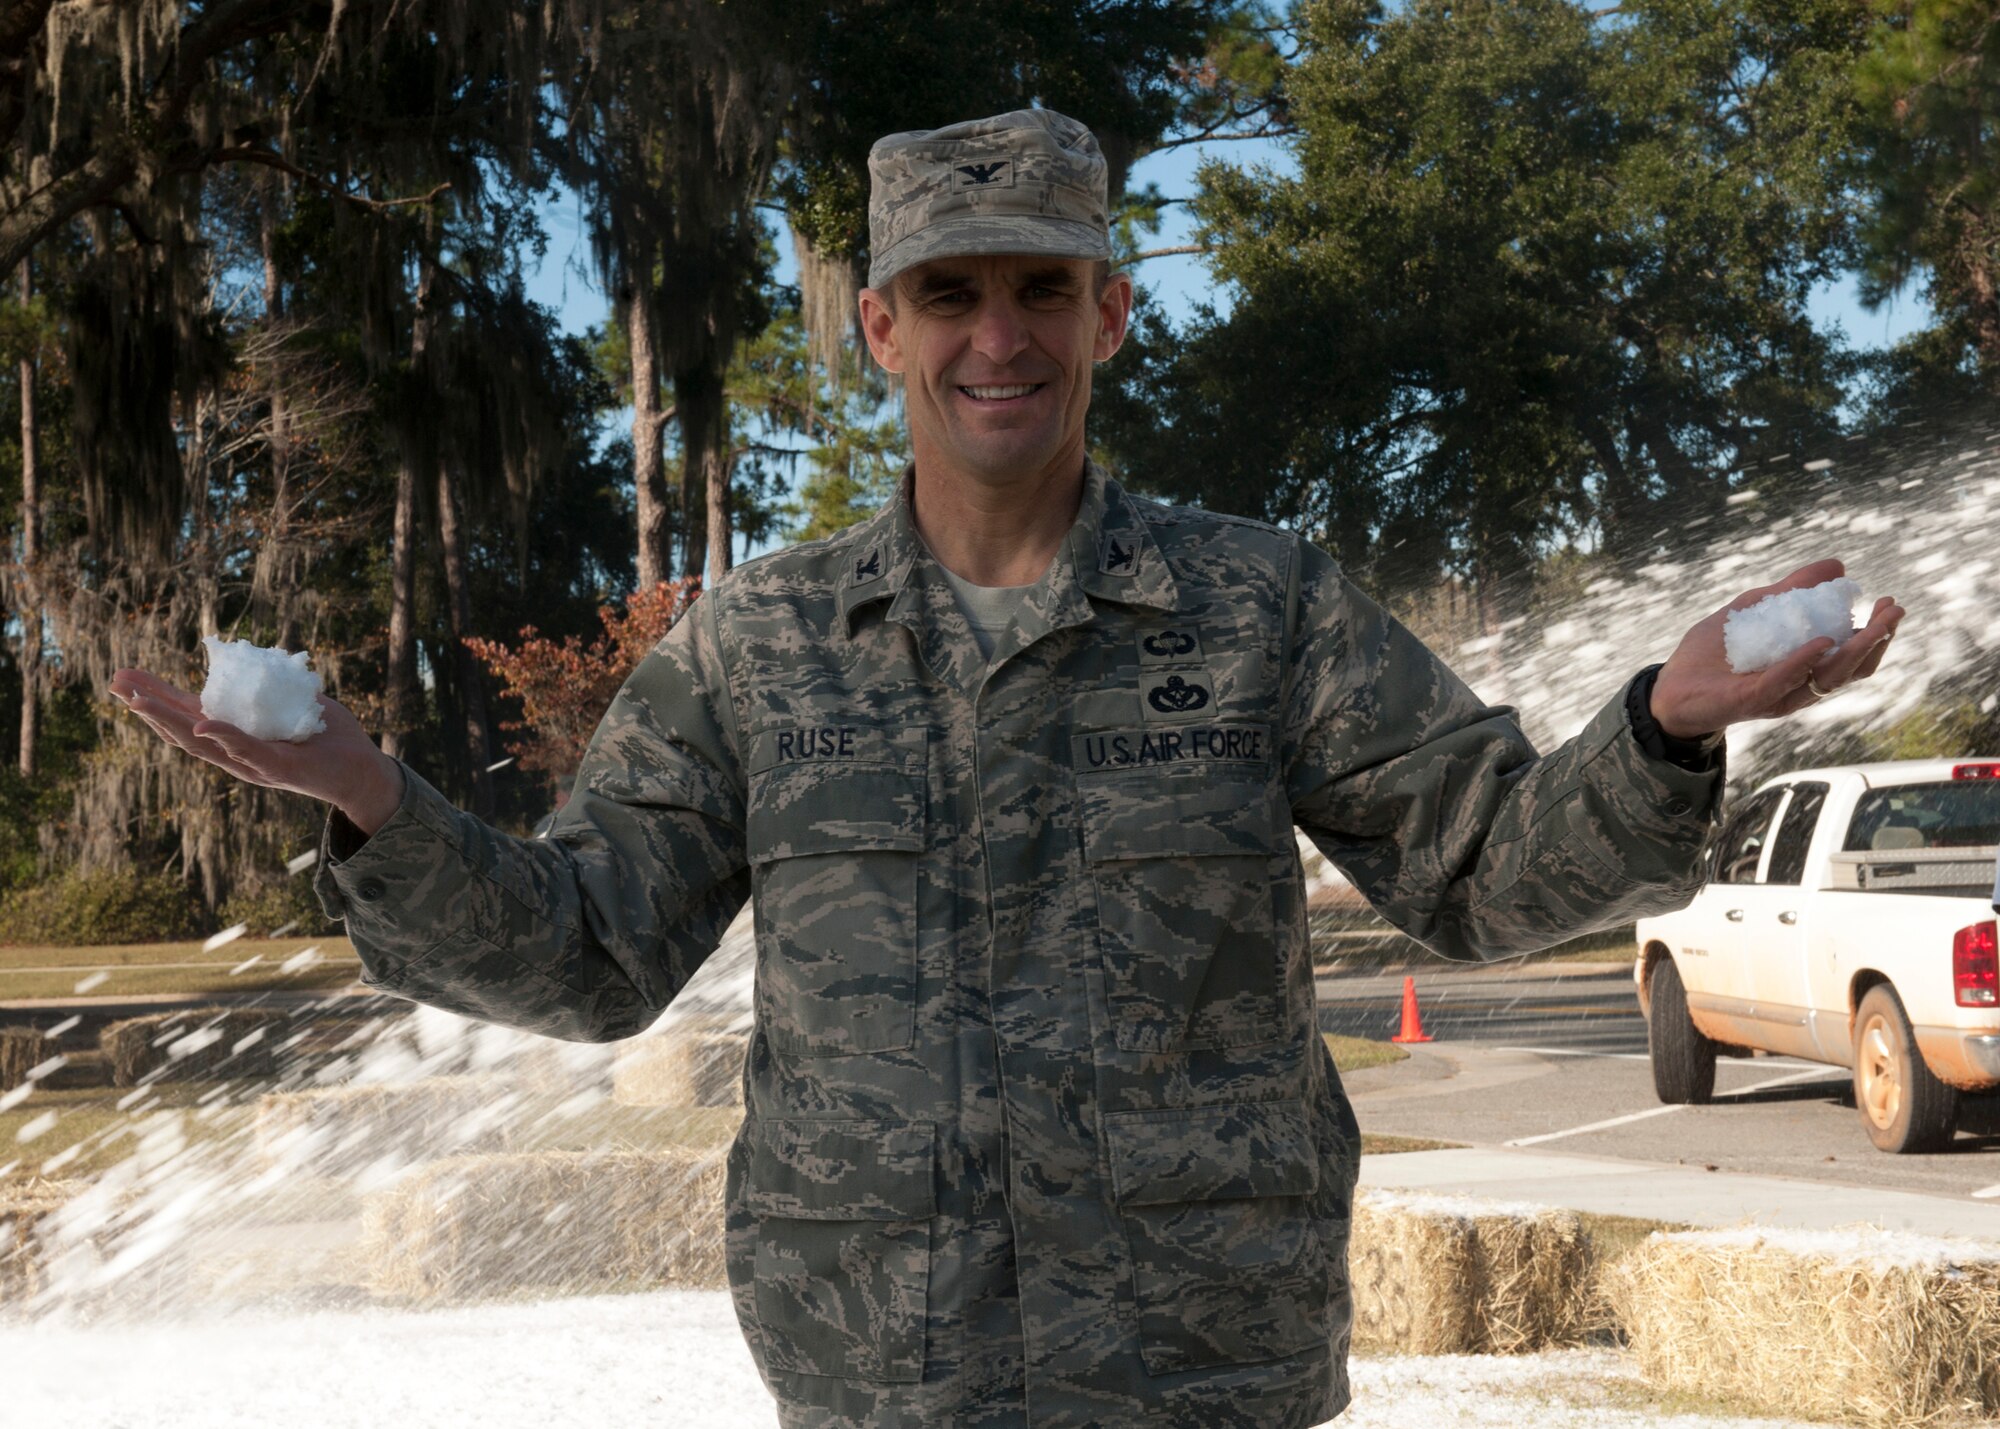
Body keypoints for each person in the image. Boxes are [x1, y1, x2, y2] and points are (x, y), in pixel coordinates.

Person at [110, 108, 1903, 1429]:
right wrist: (371, 800)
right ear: (879, 328)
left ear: (1109, 314)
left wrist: (1660, 726)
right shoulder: (759, 645)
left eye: (1043, 287)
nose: (999, 335)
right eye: (947, 291)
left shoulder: (1256, 606)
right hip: (883, 1372)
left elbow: (1487, 873)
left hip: (1206, 1371)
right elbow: (589, 955)